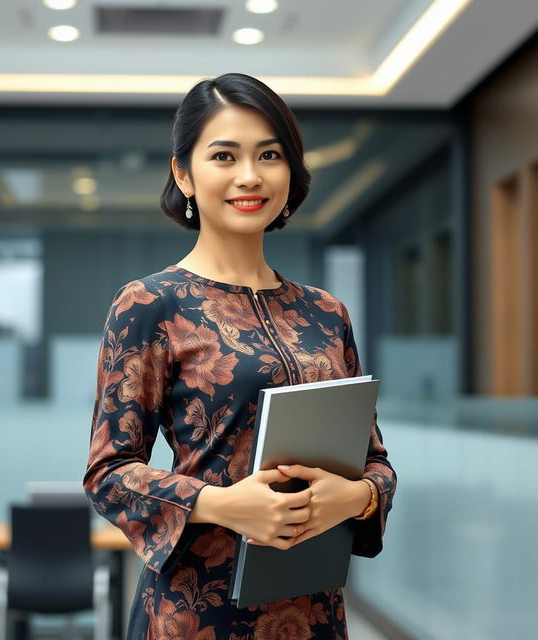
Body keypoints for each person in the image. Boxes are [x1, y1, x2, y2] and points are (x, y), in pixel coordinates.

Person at [83, 72, 397, 640]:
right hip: (196, 611)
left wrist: (356, 496)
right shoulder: (151, 303)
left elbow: (376, 462)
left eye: (269, 155)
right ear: (184, 173)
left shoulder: (326, 312)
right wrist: (220, 504)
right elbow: (108, 474)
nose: (250, 175)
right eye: (224, 155)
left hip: (313, 610)